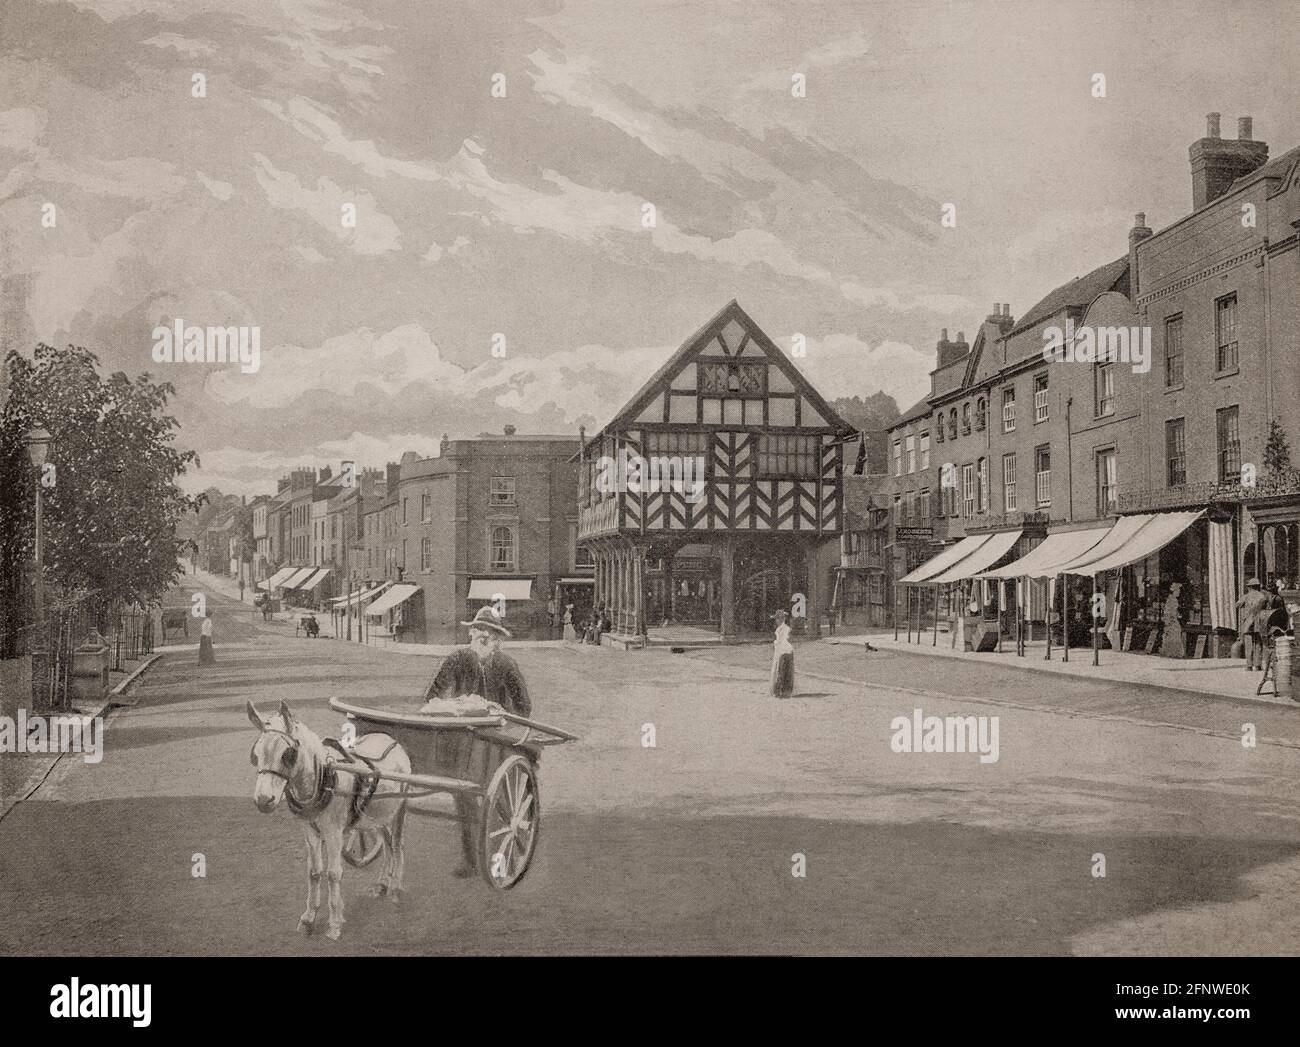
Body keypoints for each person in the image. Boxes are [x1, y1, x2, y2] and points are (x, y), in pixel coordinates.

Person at [421, 606, 532, 878]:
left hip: (496, 739)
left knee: (499, 803)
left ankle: (499, 859)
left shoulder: (506, 665)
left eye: (491, 634)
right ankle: (470, 860)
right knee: (464, 800)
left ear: (498, 640)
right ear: (471, 634)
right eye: (480, 633)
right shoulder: (457, 659)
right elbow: (431, 695)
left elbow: (524, 707)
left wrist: (498, 711)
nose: (485, 638)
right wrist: (452, 704)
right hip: (462, 739)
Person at [1235, 578, 1271, 671]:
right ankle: (1258, 665)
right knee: (1258, 644)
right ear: (1258, 586)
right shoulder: (1263, 597)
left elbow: (1237, 605)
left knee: (1248, 645)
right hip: (1259, 623)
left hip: (1248, 623)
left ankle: (1249, 665)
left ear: (1250, 587)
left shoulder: (1246, 596)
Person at [771, 609, 794, 698]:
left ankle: (781, 690)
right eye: (777, 619)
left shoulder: (785, 629)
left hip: (784, 650)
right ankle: (783, 690)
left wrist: (777, 643)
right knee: (783, 670)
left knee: (781, 670)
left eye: (778, 619)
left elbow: (785, 639)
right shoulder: (779, 629)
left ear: (782, 619)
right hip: (783, 650)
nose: (777, 621)